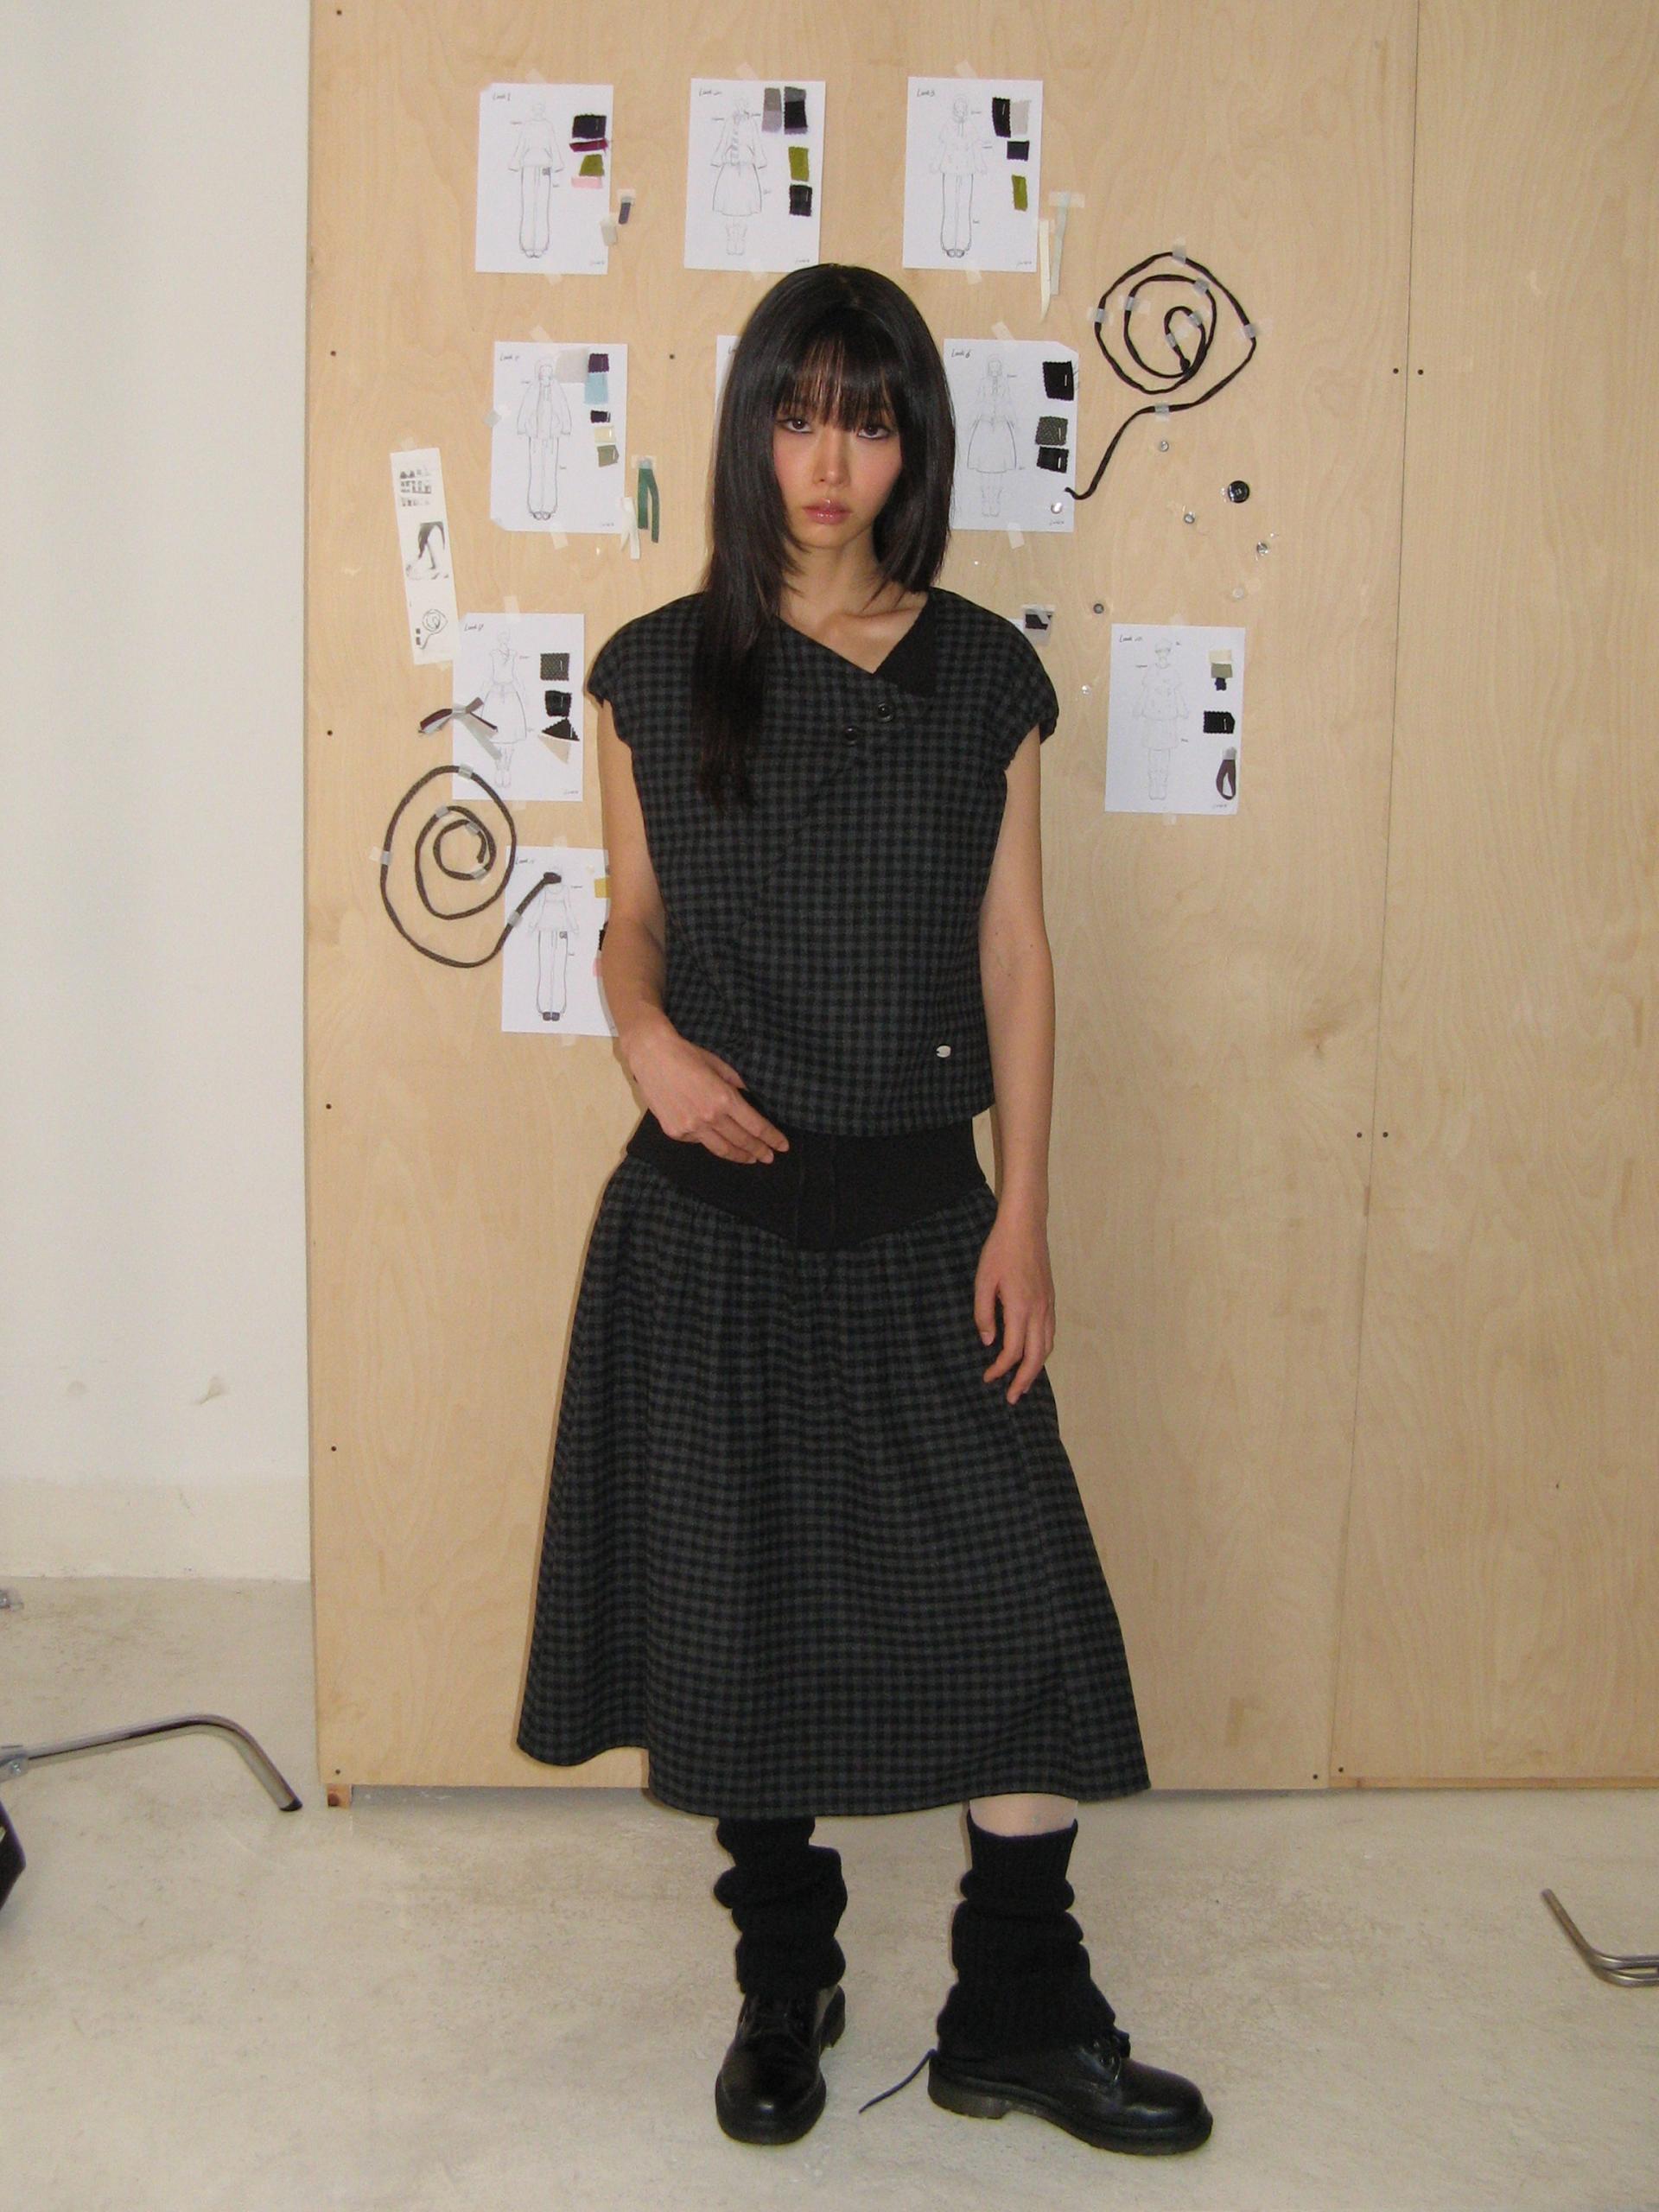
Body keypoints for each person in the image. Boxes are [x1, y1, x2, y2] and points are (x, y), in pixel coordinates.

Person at [515, 263, 1212, 2159]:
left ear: (917, 447)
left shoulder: (985, 675)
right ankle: (783, 1976)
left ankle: (1018, 2009)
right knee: (743, 1613)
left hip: (921, 1212)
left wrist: (1027, 1212)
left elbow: (1019, 957)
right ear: (752, 430)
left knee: (1024, 1599)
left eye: (873, 419)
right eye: (799, 413)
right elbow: (634, 919)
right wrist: (644, 1039)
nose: (831, 459)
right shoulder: (658, 666)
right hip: (710, 1217)